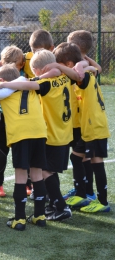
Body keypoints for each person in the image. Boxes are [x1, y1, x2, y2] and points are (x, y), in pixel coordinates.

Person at [0, 49, 84, 221]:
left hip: (51, 133)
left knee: (42, 172)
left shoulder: (44, 84)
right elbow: (78, 71)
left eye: (35, 71)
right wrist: (55, 68)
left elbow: (28, 84)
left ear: (40, 70)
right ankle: (50, 207)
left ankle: (59, 207)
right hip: (62, 132)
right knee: (46, 171)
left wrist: (1, 84)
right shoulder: (65, 76)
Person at [0, 29, 55, 198]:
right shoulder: (7, 76)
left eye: (21, 65)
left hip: (20, 116)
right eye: (19, 65)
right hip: (5, 115)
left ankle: (24, 183)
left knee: (19, 150)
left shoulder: (23, 67)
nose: (20, 67)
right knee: (1, 149)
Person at [0, 64, 48, 230]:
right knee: (37, 174)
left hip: (22, 135)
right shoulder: (31, 86)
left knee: (21, 176)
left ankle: (20, 219)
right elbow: (21, 81)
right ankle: (39, 215)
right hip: (40, 133)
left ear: (1, 80)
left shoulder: (2, 91)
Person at [57, 33, 111, 213]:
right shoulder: (88, 68)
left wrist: (78, 63)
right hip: (82, 124)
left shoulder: (84, 73)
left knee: (96, 161)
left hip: (94, 126)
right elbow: (97, 68)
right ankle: (82, 193)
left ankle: (102, 201)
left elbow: (79, 74)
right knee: (76, 156)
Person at [63, 30, 102, 202]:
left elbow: (93, 70)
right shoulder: (86, 64)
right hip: (77, 118)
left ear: (76, 48)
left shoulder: (80, 67)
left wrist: (80, 63)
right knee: (81, 155)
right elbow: (98, 68)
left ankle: (86, 192)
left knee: (80, 156)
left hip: (81, 119)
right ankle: (84, 189)